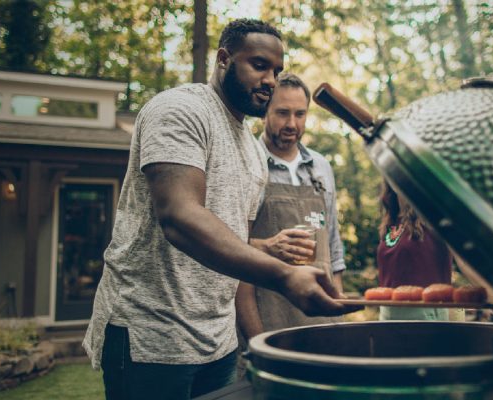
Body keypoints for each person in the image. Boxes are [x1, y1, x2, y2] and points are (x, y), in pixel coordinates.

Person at [82, 19, 349, 400]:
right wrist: (284, 276)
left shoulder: (252, 149)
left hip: (218, 341)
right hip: (151, 335)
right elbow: (180, 217)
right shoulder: (180, 110)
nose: (271, 79)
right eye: (259, 65)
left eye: (277, 70)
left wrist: (264, 251)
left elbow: (230, 240)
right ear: (224, 59)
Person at [235, 73, 345, 346]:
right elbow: (231, 253)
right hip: (269, 319)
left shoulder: (321, 167)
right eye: (283, 113)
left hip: (322, 322)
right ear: (264, 113)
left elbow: (333, 247)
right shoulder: (247, 164)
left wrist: (337, 318)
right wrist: (257, 343)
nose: (292, 124)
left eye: (300, 114)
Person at [376, 182, 452, 320]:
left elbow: (466, 262)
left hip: (425, 312)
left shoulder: (432, 215)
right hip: (387, 313)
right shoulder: (391, 219)